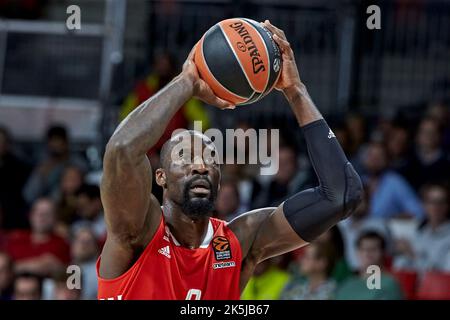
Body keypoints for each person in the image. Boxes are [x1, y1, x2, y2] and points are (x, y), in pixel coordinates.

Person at [96, 20, 363, 300]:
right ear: (160, 176)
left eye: (211, 159)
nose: (201, 165)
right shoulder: (138, 230)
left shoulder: (240, 240)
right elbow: (123, 149)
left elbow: (342, 195)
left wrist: (295, 90)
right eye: (184, 157)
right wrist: (186, 81)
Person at [4, 198, 70, 277]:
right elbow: (4, 267)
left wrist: (18, 266)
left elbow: (67, 273)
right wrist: (36, 264)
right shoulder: (16, 239)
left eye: (47, 213)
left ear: (55, 218)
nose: (42, 216)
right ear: (30, 215)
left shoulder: (62, 243)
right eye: (38, 212)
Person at [23, 125, 87, 205]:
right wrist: (41, 175)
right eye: (53, 142)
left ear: (66, 142)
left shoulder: (78, 163)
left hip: (73, 206)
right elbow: (29, 196)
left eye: (59, 141)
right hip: (48, 209)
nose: (56, 146)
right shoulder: (43, 164)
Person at [394, 184, 450, 273]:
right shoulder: (419, 232)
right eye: (431, 202)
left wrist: (412, 255)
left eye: (441, 202)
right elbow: (401, 266)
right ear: (424, 205)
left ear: (447, 205)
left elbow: (443, 275)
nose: (436, 207)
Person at [362, 141, 424, 219]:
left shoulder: (396, 182)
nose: (374, 160)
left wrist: (395, 218)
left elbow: (417, 212)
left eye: (379, 156)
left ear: (387, 160)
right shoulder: (359, 181)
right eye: (371, 155)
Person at [335, 231, 403, 300]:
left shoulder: (389, 284)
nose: (368, 253)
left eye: (373, 249)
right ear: (357, 252)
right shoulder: (346, 284)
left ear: (383, 252)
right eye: (364, 249)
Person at [402, 117, 450, 191]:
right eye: (424, 132)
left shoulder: (446, 164)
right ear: (417, 136)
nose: (428, 136)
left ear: (439, 136)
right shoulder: (406, 162)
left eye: (432, 132)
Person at [0, 126, 31, 229]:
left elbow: (22, 196)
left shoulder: (18, 166)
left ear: (8, 144)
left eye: (3, 141)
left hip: (12, 217)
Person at [70, 226, 99, 300]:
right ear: (73, 244)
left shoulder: (101, 272)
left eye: (88, 242)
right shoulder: (65, 267)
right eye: (80, 241)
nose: (84, 245)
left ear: (95, 247)